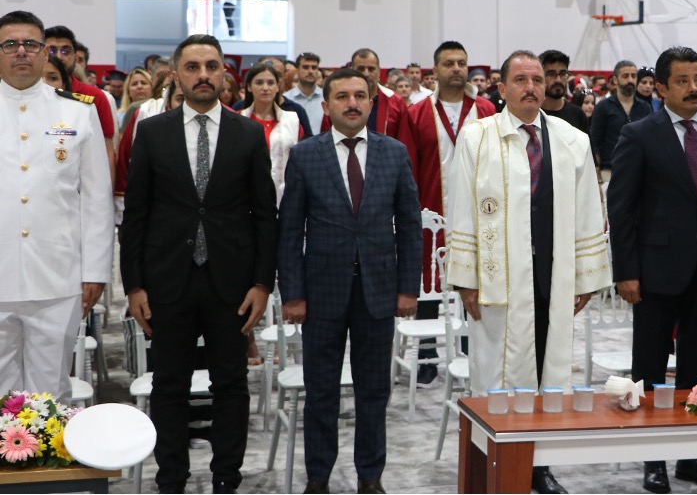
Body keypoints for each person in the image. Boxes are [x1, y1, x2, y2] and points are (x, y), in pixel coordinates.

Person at [446, 50, 611, 495]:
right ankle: (495, 458)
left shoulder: (572, 140)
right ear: (502, 89)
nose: (531, 87)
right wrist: (466, 278)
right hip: (498, 277)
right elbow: (460, 206)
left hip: (554, 273)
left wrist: (586, 276)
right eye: (520, 79)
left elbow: (588, 210)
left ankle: (540, 464)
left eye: (537, 79)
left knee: (549, 370)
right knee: (498, 369)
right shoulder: (477, 137)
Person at [121, 34, 277, 494]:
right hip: (167, 279)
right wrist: (134, 285)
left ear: (225, 73)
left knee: (231, 383)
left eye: (212, 66)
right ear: (176, 75)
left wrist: (262, 283)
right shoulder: (153, 132)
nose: (203, 75)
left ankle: (227, 477)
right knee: (169, 384)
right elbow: (136, 214)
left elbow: (265, 215)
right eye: (193, 67)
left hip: (232, 282)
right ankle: (171, 478)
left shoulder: (248, 133)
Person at [277, 68, 421, 495]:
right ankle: (318, 477)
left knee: (373, 391)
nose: (352, 103)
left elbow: (409, 226)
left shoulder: (393, 153)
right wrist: (293, 294)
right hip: (321, 292)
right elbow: (290, 231)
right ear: (327, 106)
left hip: (378, 290)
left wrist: (407, 288)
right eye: (342, 96)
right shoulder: (306, 155)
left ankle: (370, 476)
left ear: (372, 102)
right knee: (321, 391)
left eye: (360, 95)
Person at [608, 46, 697, 495]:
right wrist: (626, 271)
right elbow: (622, 210)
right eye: (683, 81)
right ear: (662, 88)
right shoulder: (638, 134)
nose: (693, 88)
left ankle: (692, 457)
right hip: (655, 270)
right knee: (649, 369)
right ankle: (654, 459)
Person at [0, 10, 113, 403]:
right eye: (10, 44)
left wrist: (95, 270)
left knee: (50, 396)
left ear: (45, 52)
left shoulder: (77, 111)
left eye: (31, 44)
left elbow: (96, 197)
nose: (21, 52)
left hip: (57, 277)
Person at [398, 41, 495, 384]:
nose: (456, 68)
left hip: (477, 217)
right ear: (435, 70)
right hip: (430, 215)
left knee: (473, 287)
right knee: (428, 288)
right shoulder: (416, 113)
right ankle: (427, 358)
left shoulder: (486, 110)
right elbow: (407, 167)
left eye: (461, 63)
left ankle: (471, 354)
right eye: (449, 63)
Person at [44, 26, 117, 177]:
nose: (59, 56)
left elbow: (106, 152)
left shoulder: (95, 96)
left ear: (75, 56)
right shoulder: (27, 93)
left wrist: (107, 189)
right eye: (52, 50)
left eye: (66, 51)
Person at [241, 63, 304, 205]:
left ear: (278, 87)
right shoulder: (238, 119)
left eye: (270, 83)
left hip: (285, 195)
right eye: (259, 83)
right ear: (249, 87)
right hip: (246, 196)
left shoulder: (292, 120)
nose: (265, 88)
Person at [590, 60, 652, 192]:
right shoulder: (603, 107)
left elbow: (650, 141)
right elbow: (595, 143)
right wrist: (597, 175)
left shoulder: (645, 107)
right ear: (615, 79)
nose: (630, 80)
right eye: (625, 76)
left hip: (639, 172)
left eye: (633, 76)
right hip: (609, 172)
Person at [346, 48, 407, 138]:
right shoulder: (339, 101)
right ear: (352, 71)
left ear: (379, 71)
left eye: (371, 69)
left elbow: (404, 139)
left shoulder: (395, 102)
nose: (366, 74)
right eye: (361, 69)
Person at [539, 49, 588, 133]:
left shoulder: (577, 114)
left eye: (562, 74)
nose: (558, 80)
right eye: (551, 74)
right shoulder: (532, 113)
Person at [283, 52, 324, 134]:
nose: (310, 71)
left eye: (314, 67)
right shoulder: (286, 99)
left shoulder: (327, 98)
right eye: (305, 67)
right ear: (297, 70)